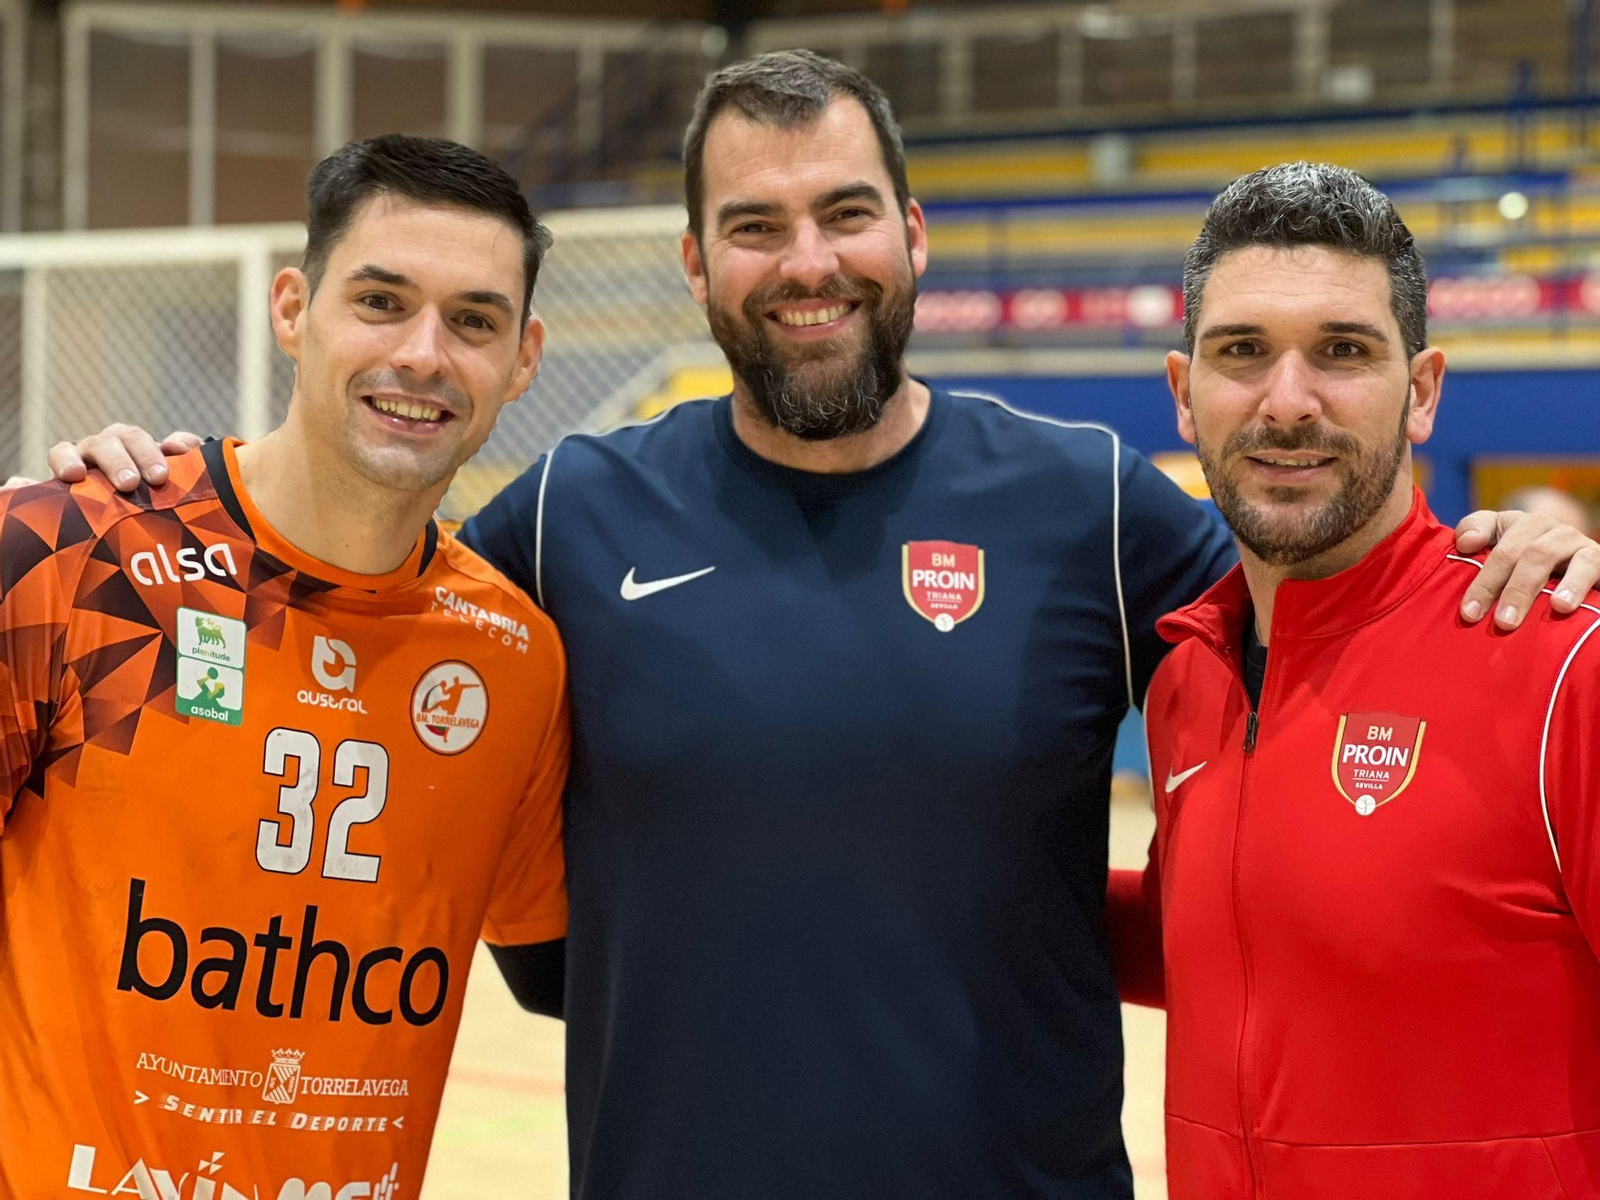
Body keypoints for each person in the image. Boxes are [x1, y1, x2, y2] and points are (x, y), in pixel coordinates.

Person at [44, 56, 1600, 1200]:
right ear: (695, 265)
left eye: (846, 213)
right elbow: (356, 579)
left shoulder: (1094, 507)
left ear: (913, 235)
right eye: (756, 224)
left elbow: (1328, 592)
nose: (808, 263)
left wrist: (1529, 546)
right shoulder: (575, 512)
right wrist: (157, 492)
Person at [0, 134, 570, 1198]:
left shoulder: (514, 659)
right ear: (293, 310)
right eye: (381, 301)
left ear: (524, 358)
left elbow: (568, 970)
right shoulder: (71, 556)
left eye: (474, 321)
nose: (423, 354)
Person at [1106, 162, 1600, 1198]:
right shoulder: (1187, 680)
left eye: (1342, 351)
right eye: (1241, 352)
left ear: (1420, 393)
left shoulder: (1561, 663)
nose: (1288, 402)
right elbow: (1237, 942)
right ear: (1182, 395)